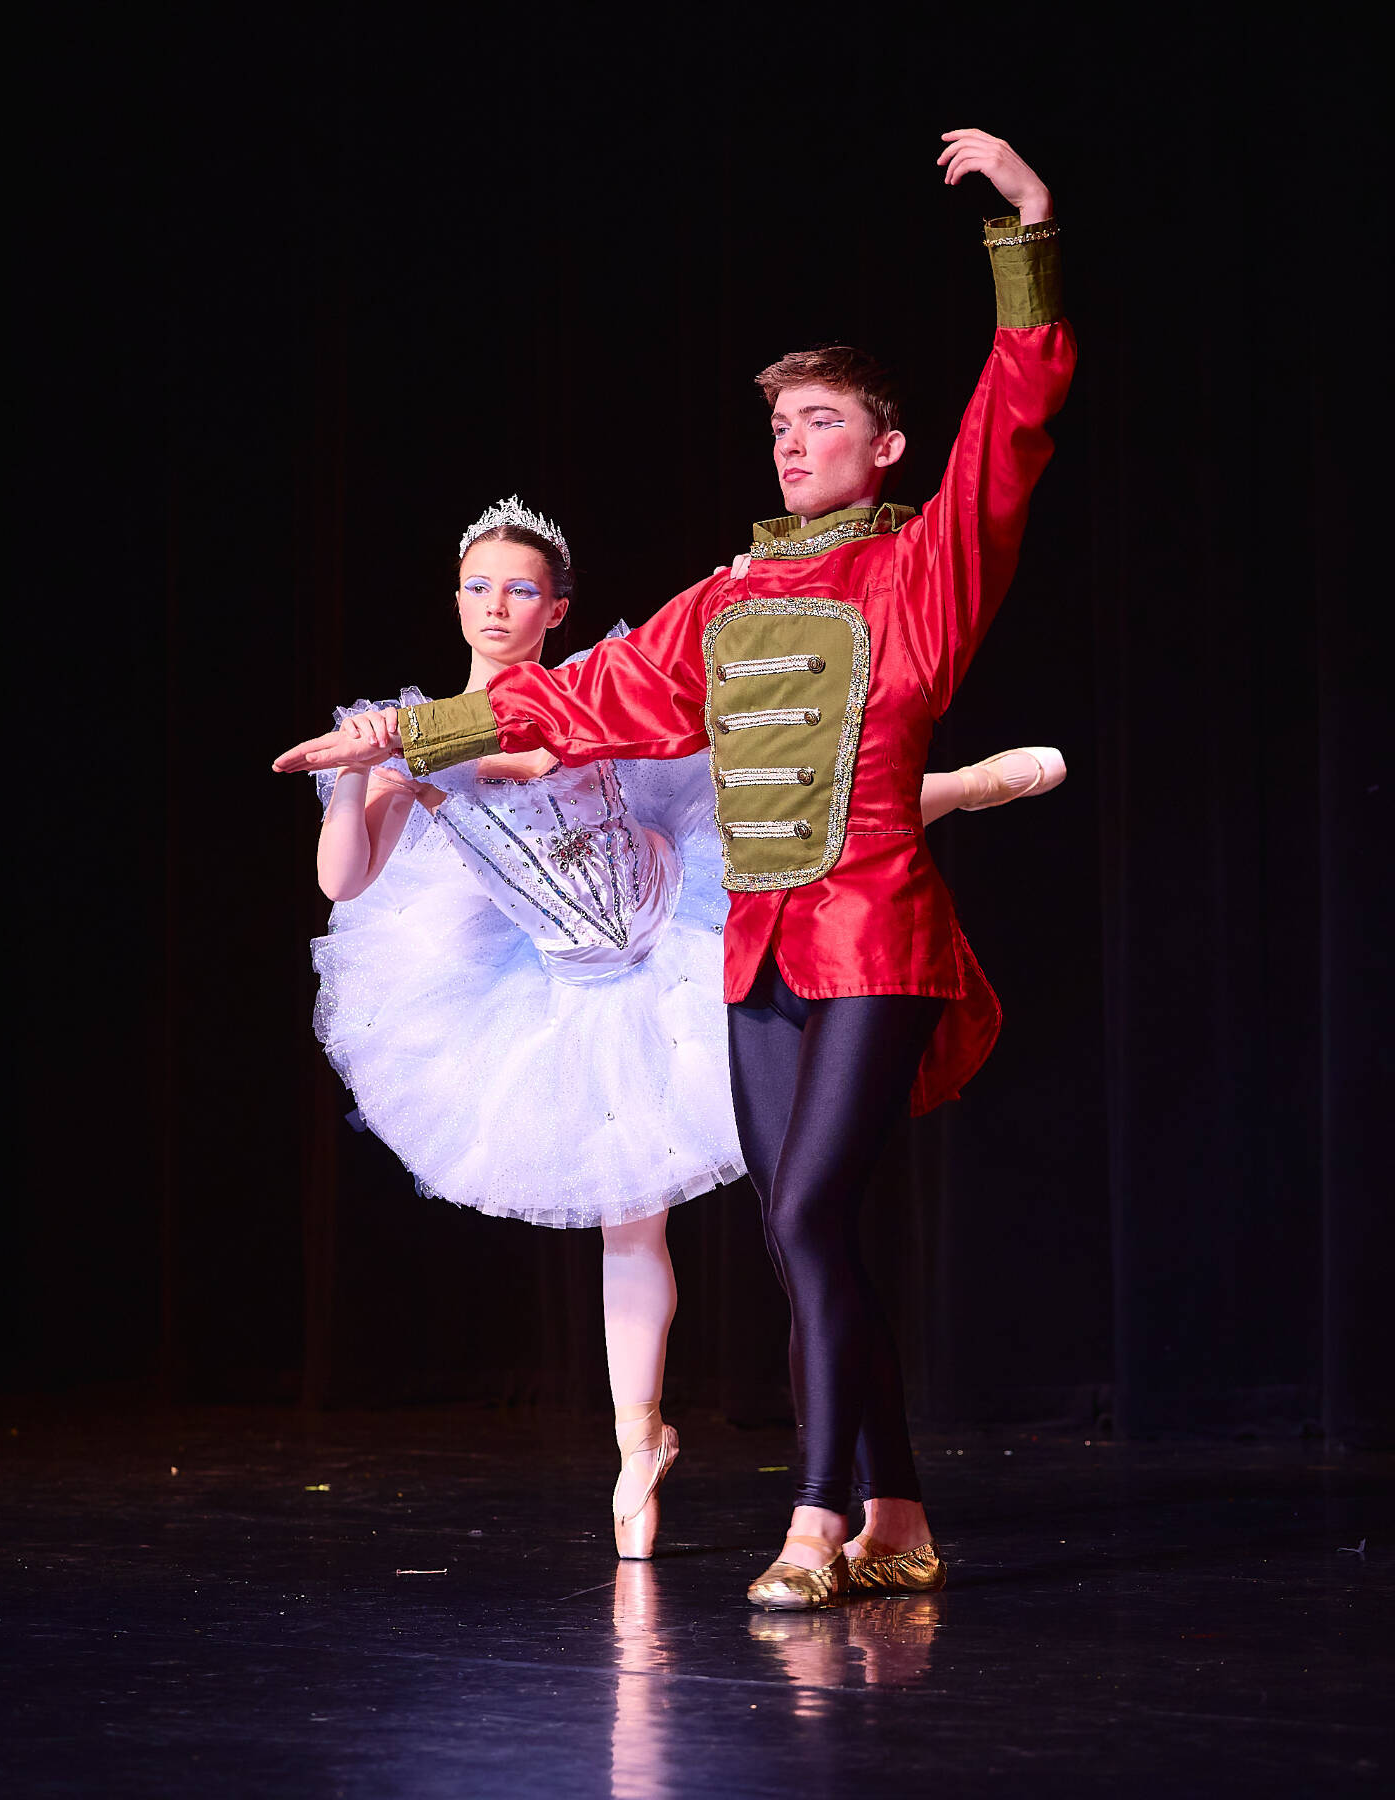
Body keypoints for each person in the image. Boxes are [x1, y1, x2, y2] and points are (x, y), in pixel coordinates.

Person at [278, 127, 1077, 1607]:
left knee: (810, 1214)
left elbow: (1013, 432)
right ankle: (899, 1510)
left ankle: (818, 1520)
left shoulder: (922, 568)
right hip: (756, 947)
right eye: (781, 424)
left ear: (884, 449)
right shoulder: (722, 597)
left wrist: (1023, 235)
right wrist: (399, 729)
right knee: (801, 1236)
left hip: (879, 932)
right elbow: (573, 704)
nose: (793, 442)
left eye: (823, 420)